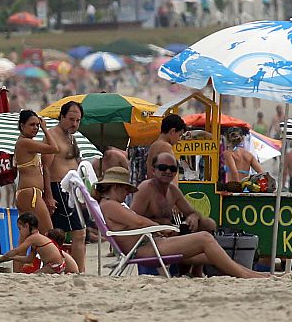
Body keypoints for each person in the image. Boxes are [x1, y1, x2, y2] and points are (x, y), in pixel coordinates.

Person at [95, 168, 267, 279]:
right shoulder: (110, 205)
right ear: (116, 187)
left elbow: (136, 222)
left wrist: (158, 231)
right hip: (146, 249)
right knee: (205, 238)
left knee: (208, 255)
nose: (127, 193)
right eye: (125, 189)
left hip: (149, 245)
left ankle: (250, 273)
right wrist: (163, 229)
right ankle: (246, 275)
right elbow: (138, 220)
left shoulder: (110, 204)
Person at [41, 101, 87, 272]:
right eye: (70, 119)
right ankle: (77, 271)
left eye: (77, 120)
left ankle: (76, 269)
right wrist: (48, 195)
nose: (74, 124)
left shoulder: (72, 137)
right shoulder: (52, 136)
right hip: (57, 189)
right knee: (77, 233)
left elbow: (76, 162)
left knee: (77, 233)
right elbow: (45, 167)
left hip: (73, 190)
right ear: (61, 117)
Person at [132, 153, 216, 233]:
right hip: (150, 237)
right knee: (205, 240)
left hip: (169, 234)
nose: (168, 171)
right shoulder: (145, 189)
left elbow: (193, 212)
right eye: (163, 167)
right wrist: (159, 225)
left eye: (172, 169)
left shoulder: (173, 190)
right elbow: (132, 220)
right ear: (153, 170)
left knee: (209, 224)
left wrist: (193, 217)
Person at [12, 110, 60, 232]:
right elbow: (54, 148)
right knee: (48, 233)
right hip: (30, 194)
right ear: (22, 126)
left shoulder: (24, 142)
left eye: (37, 125)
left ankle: (24, 252)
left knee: (31, 235)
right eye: (32, 125)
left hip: (28, 193)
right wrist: (45, 129)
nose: (36, 128)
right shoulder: (25, 142)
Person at [0, 211, 77, 274]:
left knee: (34, 276)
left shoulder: (33, 238)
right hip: (57, 265)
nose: (20, 232)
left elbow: (17, 250)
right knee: (34, 275)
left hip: (54, 265)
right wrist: (13, 258)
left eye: (20, 229)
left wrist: (4, 257)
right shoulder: (36, 240)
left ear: (27, 226)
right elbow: (29, 259)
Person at [147, 114, 185, 179]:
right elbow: (172, 175)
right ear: (173, 131)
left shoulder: (154, 145)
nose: (179, 139)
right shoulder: (165, 146)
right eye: (179, 135)